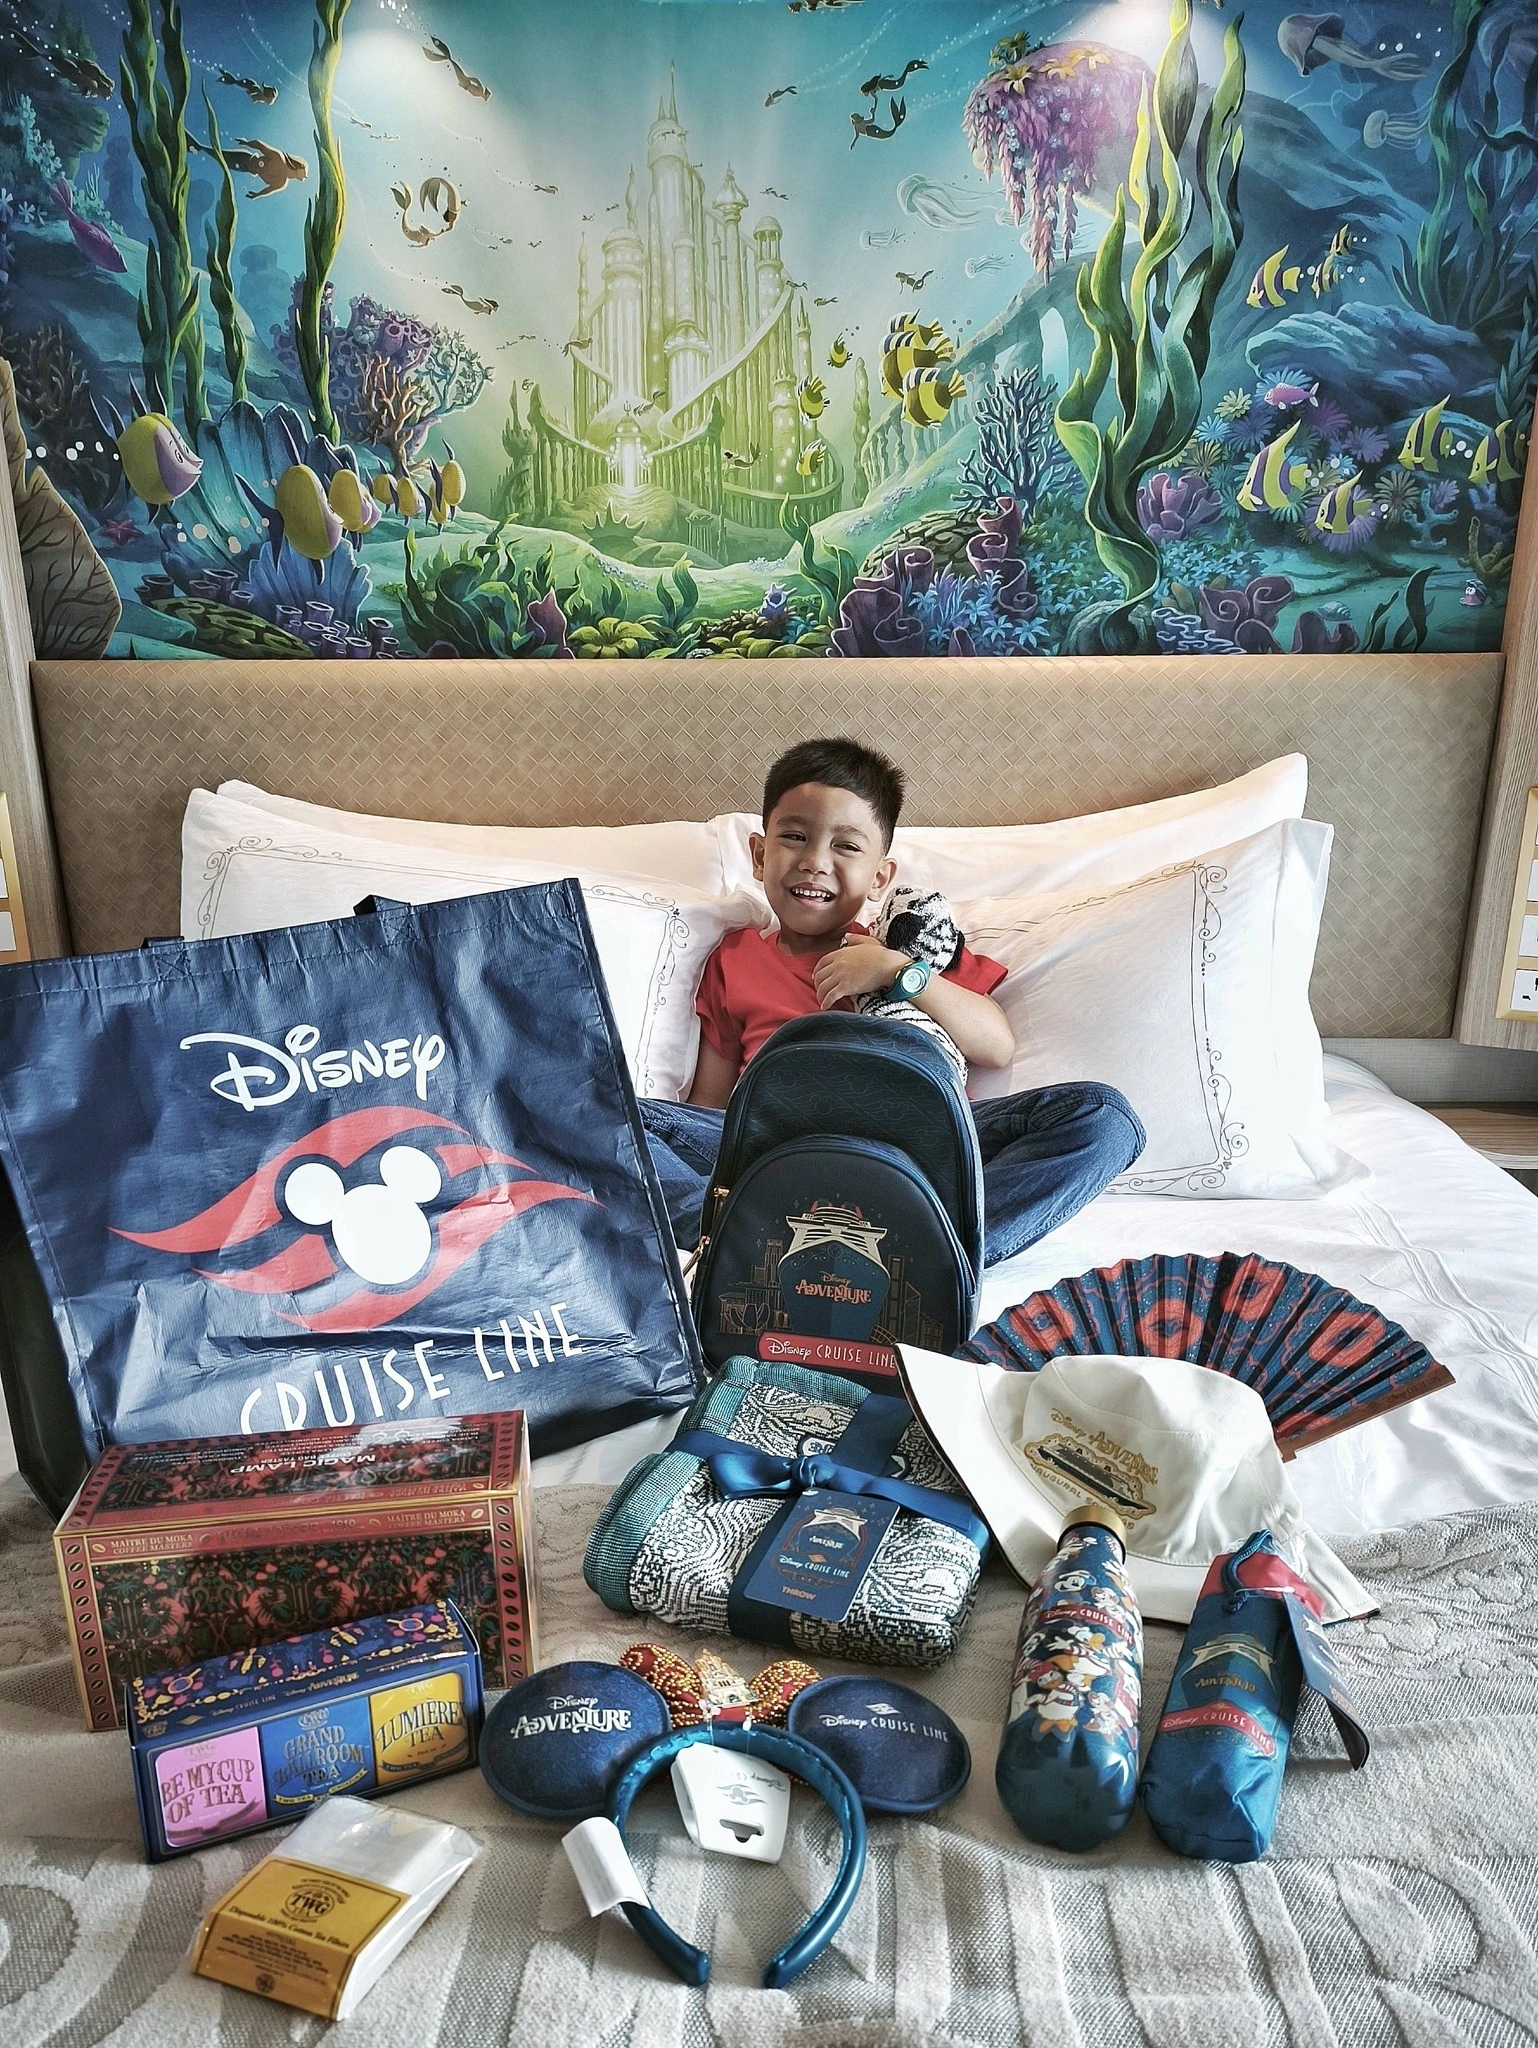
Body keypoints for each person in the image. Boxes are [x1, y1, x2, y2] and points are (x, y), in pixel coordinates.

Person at [639, 737, 1144, 1265]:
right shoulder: (735, 957)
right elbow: (708, 1108)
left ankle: (935, 1258)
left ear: (881, 877)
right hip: (777, 1148)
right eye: (794, 837)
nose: (814, 862)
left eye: (846, 847)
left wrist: (901, 972)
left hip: (919, 1146)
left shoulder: (908, 944)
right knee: (613, 1118)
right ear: (761, 855)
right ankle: (759, 1241)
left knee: (1103, 1116)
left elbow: (995, 1046)